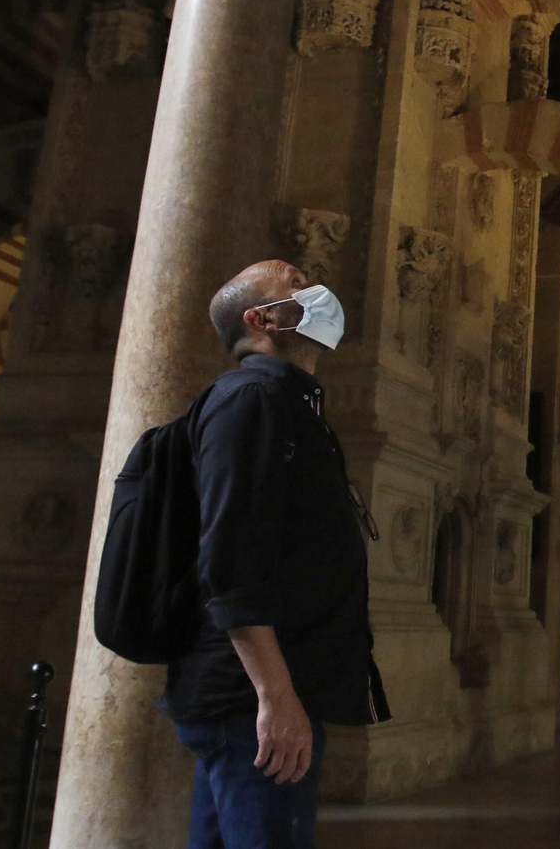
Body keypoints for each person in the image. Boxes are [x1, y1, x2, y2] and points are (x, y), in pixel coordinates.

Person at [160, 260, 389, 849]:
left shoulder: (291, 403)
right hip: (253, 699)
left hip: (267, 691)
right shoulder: (253, 397)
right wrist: (276, 696)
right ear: (260, 318)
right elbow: (232, 564)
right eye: (296, 281)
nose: (318, 289)